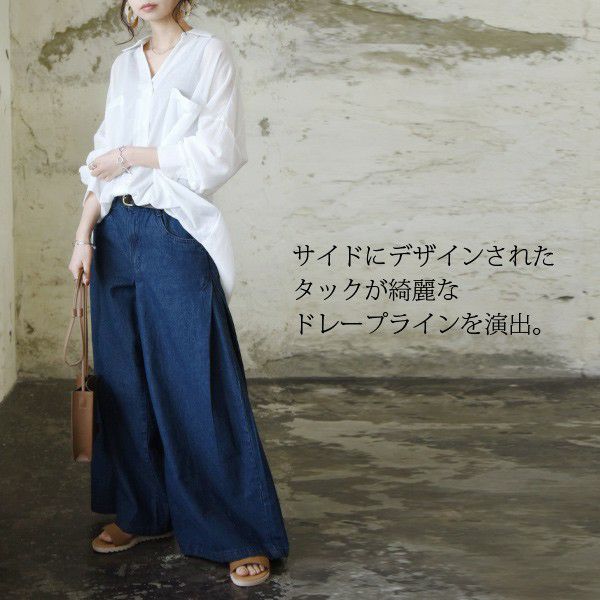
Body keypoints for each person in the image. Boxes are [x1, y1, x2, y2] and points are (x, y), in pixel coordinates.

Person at [68, 0, 289, 587]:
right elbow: (99, 165)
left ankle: (238, 532)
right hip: (114, 233)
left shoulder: (209, 54)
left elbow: (219, 151)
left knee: (198, 380)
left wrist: (131, 156)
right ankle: (145, 512)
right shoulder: (125, 65)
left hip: (174, 230)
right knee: (124, 382)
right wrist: (83, 236)